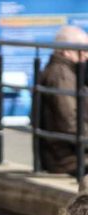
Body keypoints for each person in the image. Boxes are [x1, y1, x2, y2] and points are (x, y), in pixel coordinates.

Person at [38, 26, 88, 175]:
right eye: (83, 50)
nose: (87, 55)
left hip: (68, 154)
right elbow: (70, 122)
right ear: (66, 51)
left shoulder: (67, 72)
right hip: (67, 158)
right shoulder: (61, 76)